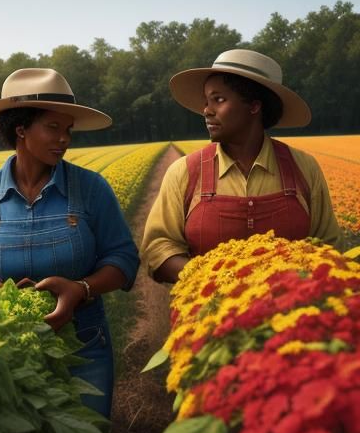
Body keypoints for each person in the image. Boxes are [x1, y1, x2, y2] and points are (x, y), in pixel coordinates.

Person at [0, 68, 139, 417]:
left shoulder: (91, 188)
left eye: (68, 129)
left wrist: (80, 289)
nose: (64, 139)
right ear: (20, 128)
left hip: (83, 344)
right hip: (4, 350)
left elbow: (125, 260)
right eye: (53, 128)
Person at [141, 49, 343, 283]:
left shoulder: (304, 167)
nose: (206, 110)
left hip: (291, 314)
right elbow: (157, 247)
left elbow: (329, 246)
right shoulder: (184, 171)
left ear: (254, 106)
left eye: (219, 99)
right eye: (206, 101)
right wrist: (208, 281)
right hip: (207, 314)